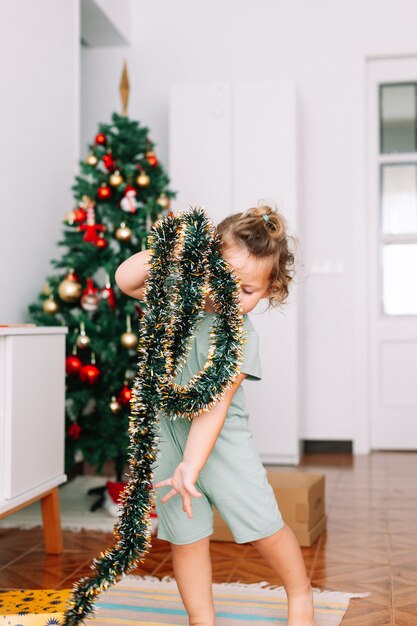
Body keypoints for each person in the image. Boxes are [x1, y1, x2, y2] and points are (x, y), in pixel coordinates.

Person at [114, 204, 314, 626]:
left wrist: (194, 463)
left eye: (246, 291)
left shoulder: (241, 338)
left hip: (221, 442)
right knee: (185, 536)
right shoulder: (177, 294)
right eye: (222, 280)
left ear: (269, 291)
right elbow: (125, 279)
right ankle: (200, 620)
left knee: (263, 524)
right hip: (165, 436)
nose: (228, 296)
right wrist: (174, 249)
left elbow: (215, 407)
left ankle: (300, 595)